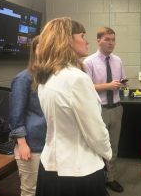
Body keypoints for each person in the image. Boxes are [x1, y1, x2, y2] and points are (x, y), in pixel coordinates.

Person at [33, 17, 112, 196]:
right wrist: (107, 154)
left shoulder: (46, 77)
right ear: (67, 39)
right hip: (80, 171)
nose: (87, 41)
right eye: (82, 35)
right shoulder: (77, 78)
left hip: (49, 168)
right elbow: (95, 132)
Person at [83, 27, 126, 193]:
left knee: (113, 147)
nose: (111, 43)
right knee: (97, 146)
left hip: (116, 108)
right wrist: (108, 86)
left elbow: (120, 82)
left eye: (113, 39)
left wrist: (122, 84)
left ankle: (110, 178)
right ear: (98, 40)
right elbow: (86, 88)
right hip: (98, 110)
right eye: (107, 39)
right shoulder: (89, 62)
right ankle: (97, 181)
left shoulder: (117, 60)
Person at [9, 36, 47, 196]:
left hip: (48, 144)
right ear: (34, 51)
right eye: (41, 47)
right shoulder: (23, 78)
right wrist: (22, 143)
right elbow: (15, 114)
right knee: (30, 190)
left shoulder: (49, 78)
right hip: (32, 145)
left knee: (45, 189)